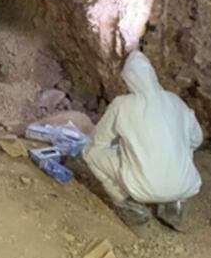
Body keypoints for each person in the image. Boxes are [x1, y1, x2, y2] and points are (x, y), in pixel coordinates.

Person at [84, 50, 203, 230]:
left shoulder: (122, 104)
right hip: (186, 185)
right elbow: (197, 139)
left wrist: (124, 147)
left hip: (140, 189)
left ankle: (126, 203)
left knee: (90, 152)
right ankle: (174, 203)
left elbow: (98, 140)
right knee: (186, 145)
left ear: (128, 80)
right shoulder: (176, 101)